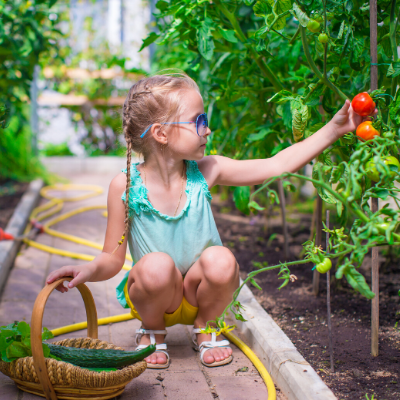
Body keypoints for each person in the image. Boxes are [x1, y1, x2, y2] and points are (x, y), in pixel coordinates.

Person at [45, 71, 372, 369]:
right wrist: (88, 270)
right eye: (198, 121)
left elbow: (275, 166)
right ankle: (153, 331)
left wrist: (335, 128)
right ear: (161, 133)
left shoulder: (207, 170)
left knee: (222, 259)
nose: (208, 129)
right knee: (155, 266)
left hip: (201, 294)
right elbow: (111, 259)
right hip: (155, 294)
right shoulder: (126, 185)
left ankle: (206, 327)